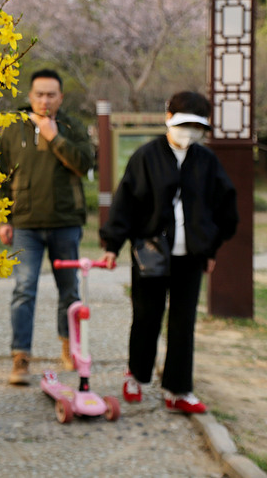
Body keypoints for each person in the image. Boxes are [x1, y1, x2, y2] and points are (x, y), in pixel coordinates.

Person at [99, 91, 238, 414]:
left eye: (195, 126)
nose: (188, 132)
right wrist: (112, 246)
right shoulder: (146, 156)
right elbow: (125, 204)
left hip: (191, 255)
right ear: (168, 118)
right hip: (150, 251)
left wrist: (211, 246)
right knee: (146, 315)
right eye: (183, 124)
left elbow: (224, 207)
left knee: (183, 321)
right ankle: (136, 375)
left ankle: (178, 388)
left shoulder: (206, 161)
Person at [0, 69, 94, 385]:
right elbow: (1, 175)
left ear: (61, 97)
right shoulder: (13, 128)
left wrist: (54, 137)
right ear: (30, 96)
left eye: (51, 94)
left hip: (65, 221)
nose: (44, 100)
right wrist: (3, 218)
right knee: (24, 290)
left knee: (69, 291)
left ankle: (70, 348)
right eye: (39, 94)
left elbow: (83, 164)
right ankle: (20, 357)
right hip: (25, 222)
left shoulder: (72, 126)